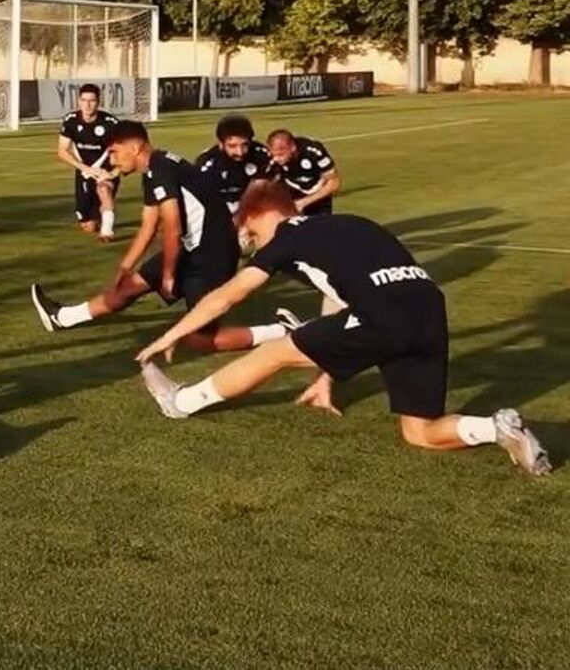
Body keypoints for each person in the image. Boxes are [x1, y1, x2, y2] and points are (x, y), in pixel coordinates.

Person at [133, 181, 551, 477]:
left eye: (252, 232)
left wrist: (171, 334)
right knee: (420, 432)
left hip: (383, 315)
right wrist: (327, 374)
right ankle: (495, 428)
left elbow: (228, 295)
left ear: (263, 213)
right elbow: (341, 302)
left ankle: (181, 402)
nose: (255, 243)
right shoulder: (352, 224)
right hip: (428, 310)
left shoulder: (286, 240)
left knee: (275, 352)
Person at [30, 120, 262, 354]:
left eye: (114, 152)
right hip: (191, 248)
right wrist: (125, 267)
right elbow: (148, 226)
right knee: (127, 286)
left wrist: (169, 275)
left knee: (200, 339)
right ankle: (62, 317)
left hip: (212, 255)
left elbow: (173, 226)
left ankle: (279, 332)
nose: (112, 160)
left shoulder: (160, 170)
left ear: (134, 148)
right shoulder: (153, 171)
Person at [55, 83, 121, 241]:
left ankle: (107, 231)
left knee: (104, 189)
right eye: (84, 100)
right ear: (79, 101)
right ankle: (99, 215)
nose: (87, 104)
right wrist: (86, 169)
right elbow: (62, 151)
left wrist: (113, 173)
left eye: (92, 100)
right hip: (84, 173)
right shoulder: (71, 121)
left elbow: (124, 152)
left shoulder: (110, 123)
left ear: (98, 102)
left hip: (104, 172)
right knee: (88, 226)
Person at [196, 115, 274, 215]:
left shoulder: (262, 156)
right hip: (221, 212)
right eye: (232, 146)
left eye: (245, 145)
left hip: (257, 211)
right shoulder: (207, 164)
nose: (239, 152)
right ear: (221, 144)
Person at [267, 129, 340, 215]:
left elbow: (334, 183)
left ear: (293, 148)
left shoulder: (313, 152)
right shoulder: (269, 158)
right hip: (291, 191)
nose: (276, 159)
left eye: (280, 154)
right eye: (273, 154)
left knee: (320, 222)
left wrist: (304, 202)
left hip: (317, 193)